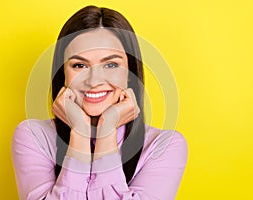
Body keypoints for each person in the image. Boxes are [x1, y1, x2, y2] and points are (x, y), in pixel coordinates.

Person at [11, 5, 188, 200]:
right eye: (79, 65)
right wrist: (79, 132)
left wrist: (107, 131)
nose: (94, 80)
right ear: (64, 74)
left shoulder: (164, 145)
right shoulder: (33, 137)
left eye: (111, 64)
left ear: (130, 74)